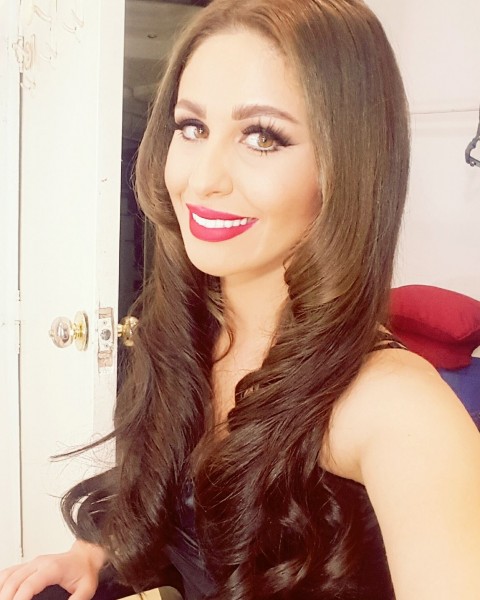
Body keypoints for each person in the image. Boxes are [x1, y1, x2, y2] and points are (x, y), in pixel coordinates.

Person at [2, 0, 480, 598]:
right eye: (192, 128)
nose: (203, 179)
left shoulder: (395, 406)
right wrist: (94, 552)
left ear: (347, 166)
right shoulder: (188, 331)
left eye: (262, 137)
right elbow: (174, 496)